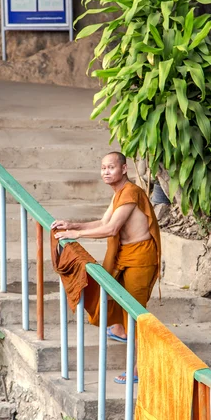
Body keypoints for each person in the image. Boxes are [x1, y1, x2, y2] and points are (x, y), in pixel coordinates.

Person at [51, 151, 161, 384]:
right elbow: (103, 222)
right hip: (125, 256)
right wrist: (72, 224)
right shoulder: (118, 194)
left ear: (124, 169)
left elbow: (111, 230)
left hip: (139, 258)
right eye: (103, 168)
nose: (106, 172)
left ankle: (139, 367)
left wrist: (76, 234)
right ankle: (119, 330)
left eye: (111, 167)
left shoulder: (131, 193)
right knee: (115, 297)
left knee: (135, 311)